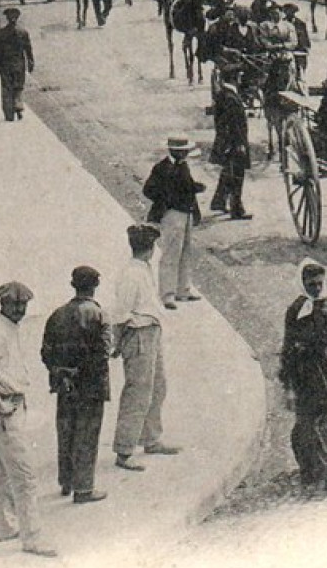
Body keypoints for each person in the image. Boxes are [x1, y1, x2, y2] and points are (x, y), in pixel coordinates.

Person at [0, 281, 58, 557]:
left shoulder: (6, 328)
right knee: (24, 475)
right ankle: (32, 538)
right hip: (3, 408)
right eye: (14, 305)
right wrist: (0, 404)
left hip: (10, 405)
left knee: (6, 471)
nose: (20, 310)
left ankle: (5, 526)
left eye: (23, 305)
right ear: (3, 304)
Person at [110, 225, 181, 471]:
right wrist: (117, 343)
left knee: (158, 386)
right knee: (137, 392)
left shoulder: (142, 269)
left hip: (151, 332)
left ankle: (151, 438)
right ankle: (124, 450)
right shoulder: (132, 274)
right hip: (138, 334)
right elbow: (120, 313)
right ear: (150, 249)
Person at [41, 266, 112, 504]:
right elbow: (102, 353)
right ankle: (84, 489)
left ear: (73, 285)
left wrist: (62, 373)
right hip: (90, 388)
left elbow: (46, 352)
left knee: (66, 432)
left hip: (64, 385)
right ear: (95, 286)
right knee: (86, 435)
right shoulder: (99, 315)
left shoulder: (57, 314)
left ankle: (66, 482)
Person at [280, 261, 327, 498]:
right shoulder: (296, 310)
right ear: (303, 284)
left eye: (320, 284)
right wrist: (288, 387)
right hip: (305, 376)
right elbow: (288, 349)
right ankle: (310, 471)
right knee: (306, 424)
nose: (317, 289)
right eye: (312, 285)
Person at [142, 137, 205, 307]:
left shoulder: (183, 165)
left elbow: (188, 189)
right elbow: (148, 190)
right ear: (173, 151)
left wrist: (195, 208)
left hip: (186, 213)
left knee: (185, 251)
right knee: (171, 253)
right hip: (172, 214)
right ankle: (167, 294)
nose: (185, 153)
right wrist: (167, 199)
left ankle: (183, 289)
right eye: (183, 150)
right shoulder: (162, 168)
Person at [209, 69, 252, 220]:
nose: (241, 79)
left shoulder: (224, 94)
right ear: (235, 78)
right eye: (240, 76)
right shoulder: (230, 97)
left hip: (228, 142)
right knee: (237, 175)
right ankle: (237, 209)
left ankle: (218, 201)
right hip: (234, 142)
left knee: (228, 171)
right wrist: (238, 144)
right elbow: (232, 124)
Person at [0, 7, 35, 122]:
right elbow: (28, 49)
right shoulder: (23, 32)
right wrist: (30, 61)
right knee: (18, 86)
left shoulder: (0, 33)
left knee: (6, 87)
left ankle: (9, 113)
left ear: (7, 18)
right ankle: (18, 105)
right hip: (19, 64)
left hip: (4, 64)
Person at [284, 3, 311, 76]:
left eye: (292, 12)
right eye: (287, 12)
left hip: (299, 50)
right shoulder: (282, 23)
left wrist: (305, 48)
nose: (289, 14)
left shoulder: (300, 24)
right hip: (286, 49)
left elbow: (305, 38)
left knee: (300, 70)